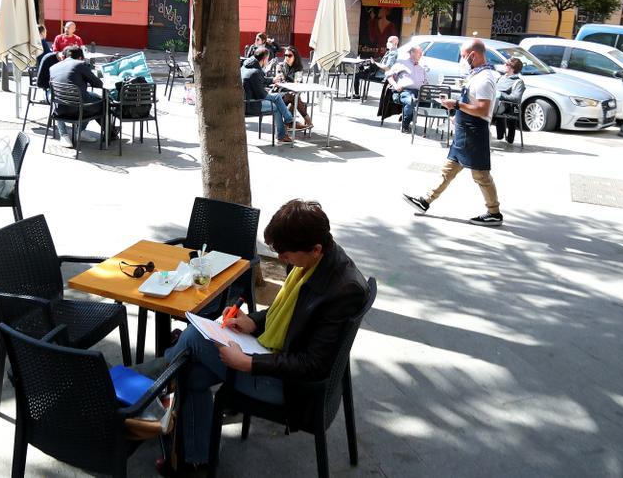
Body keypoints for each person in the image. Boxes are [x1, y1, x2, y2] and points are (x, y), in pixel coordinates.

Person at [159, 199, 368, 476]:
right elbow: (288, 313)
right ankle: (196, 457)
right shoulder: (320, 260)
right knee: (192, 374)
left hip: (293, 390)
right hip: (281, 361)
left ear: (315, 249)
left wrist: (248, 364)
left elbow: (313, 365)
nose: (282, 260)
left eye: (286, 254)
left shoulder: (343, 290)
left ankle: (157, 382)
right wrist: (252, 322)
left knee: (193, 339)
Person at [404, 38, 503, 226]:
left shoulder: (484, 78)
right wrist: (456, 112)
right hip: (465, 130)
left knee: (481, 175)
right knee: (448, 169)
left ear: (473, 55)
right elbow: (472, 103)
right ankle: (425, 201)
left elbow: (482, 109)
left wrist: (456, 104)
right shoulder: (477, 74)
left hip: (474, 132)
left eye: (464, 56)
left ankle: (494, 212)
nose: (462, 60)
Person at [48, 45, 114, 144]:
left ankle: (64, 136)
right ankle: (104, 133)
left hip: (58, 109)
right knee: (103, 103)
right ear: (80, 57)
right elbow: (98, 84)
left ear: (64, 57)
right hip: (77, 109)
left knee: (91, 97)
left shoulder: (53, 67)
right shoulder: (80, 64)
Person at [241, 46, 294, 143]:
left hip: (246, 102)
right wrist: (271, 93)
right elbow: (262, 95)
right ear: (264, 59)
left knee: (276, 99)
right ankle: (288, 122)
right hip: (252, 104)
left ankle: (286, 126)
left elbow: (258, 81)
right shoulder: (256, 72)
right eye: (268, 59)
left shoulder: (246, 66)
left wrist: (272, 80)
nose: (268, 61)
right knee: (277, 101)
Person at [386, 45, 429, 133]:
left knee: (435, 103)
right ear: (412, 53)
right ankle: (405, 125)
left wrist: (427, 90)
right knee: (411, 101)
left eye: (421, 53)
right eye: (419, 53)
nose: (421, 55)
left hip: (419, 93)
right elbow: (389, 76)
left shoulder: (421, 68)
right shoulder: (401, 63)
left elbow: (426, 83)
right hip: (404, 92)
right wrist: (395, 85)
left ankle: (407, 115)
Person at [273, 45, 311, 129]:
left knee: (293, 99)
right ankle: (307, 120)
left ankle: (288, 124)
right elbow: (281, 80)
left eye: (289, 55)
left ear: (295, 56)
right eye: (285, 55)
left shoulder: (298, 68)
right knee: (293, 97)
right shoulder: (280, 66)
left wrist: (291, 84)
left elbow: (297, 82)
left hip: (293, 93)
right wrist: (290, 83)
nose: (287, 57)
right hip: (280, 94)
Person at [493, 57, 526, 144]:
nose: (504, 65)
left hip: (505, 106)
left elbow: (516, 98)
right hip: (495, 104)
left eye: (506, 64)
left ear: (512, 68)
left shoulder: (518, 82)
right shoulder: (500, 78)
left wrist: (500, 94)